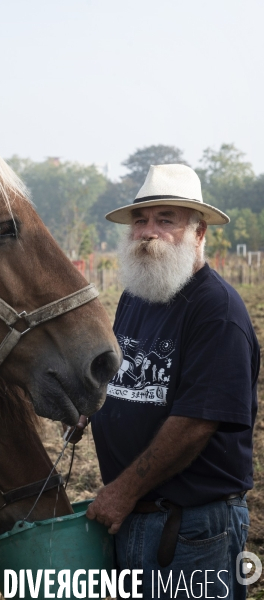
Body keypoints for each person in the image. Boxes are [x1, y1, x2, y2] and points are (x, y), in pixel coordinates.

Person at [72, 164, 260, 599]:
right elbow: (125, 374)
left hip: (192, 530)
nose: (148, 232)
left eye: (166, 220)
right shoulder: (137, 296)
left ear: (199, 233)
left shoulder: (218, 311)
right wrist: (91, 406)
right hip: (135, 518)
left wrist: (123, 491)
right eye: (140, 219)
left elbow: (196, 422)